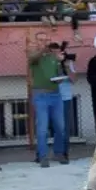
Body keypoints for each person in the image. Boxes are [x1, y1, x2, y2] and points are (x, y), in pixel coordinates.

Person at [27, 32, 69, 166]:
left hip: (56, 94)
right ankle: (43, 156)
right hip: (41, 96)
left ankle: (59, 153)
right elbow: (33, 58)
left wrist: (62, 68)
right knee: (42, 128)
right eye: (40, 40)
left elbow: (58, 74)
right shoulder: (33, 54)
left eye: (46, 40)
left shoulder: (53, 57)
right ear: (36, 41)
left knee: (60, 127)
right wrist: (42, 50)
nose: (44, 42)